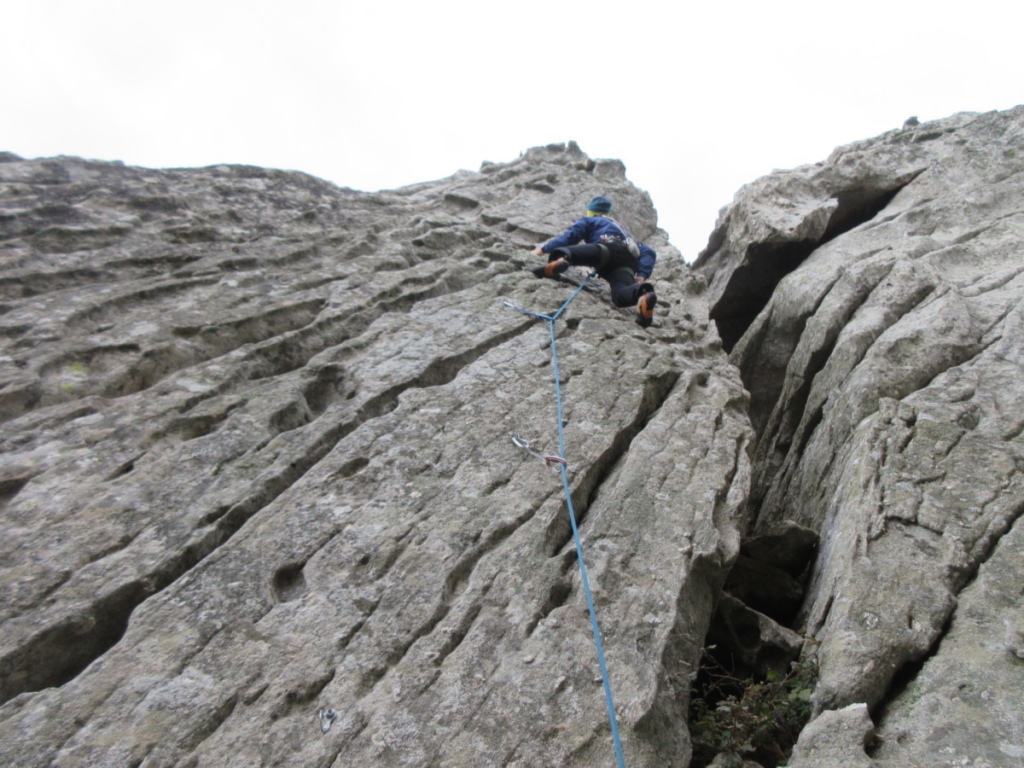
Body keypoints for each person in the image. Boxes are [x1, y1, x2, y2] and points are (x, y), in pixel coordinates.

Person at [530, 196, 658, 327]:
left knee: (566, 251)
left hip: (606, 249)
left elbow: (570, 236)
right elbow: (649, 252)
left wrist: (542, 250)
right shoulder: (626, 233)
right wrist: (641, 276)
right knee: (620, 295)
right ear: (607, 212)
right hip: (627, 263)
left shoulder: (590, 220)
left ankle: (559, 262)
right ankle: (642, 295)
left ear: (590, 211)